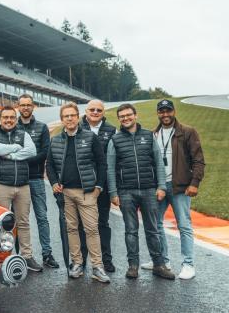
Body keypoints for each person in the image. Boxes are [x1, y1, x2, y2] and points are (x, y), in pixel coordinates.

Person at [107, 103, 174, 280]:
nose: (126, 118)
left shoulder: (148, 136)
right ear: (119, 119)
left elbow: (158, 162)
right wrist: (113, 192)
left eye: (129, 115)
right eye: (122, 116)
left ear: (135, 115)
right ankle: (133, 266)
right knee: (131, 230)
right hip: (126, 192)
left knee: (153, 230)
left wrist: (161, 186)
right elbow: (110, 168)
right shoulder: (115, 140)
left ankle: (159, 265)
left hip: (149, 190)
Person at [46, 103, 110, 283]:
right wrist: (53, 183)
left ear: (77, 117)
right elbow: (49, 165)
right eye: (66, 116)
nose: (69, 118)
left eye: (73, 115)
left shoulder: (90, 137)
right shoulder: (56, 140)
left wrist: (98, 187)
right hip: (66, 193)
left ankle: (97, 266)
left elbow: (102, 163)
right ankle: (77, 263)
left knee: (91, 229)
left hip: (87, 192)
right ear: (62, 119)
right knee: (72, 229)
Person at [147, 99, 204, 280]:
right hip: (160, 188)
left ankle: (188, 264)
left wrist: (194, 183)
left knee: (184, 226)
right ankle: (163, 260)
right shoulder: (153, 134)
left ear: (174, 111)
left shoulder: (187, 132)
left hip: (180, 187)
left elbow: (198, 160)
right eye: (161, 111)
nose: (165, 114)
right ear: (158, 113)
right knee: (155, 225)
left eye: (168, 111)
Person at [0, 106, 42, 272]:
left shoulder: (23, 134)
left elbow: (32, 151)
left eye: (11, 117)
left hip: (23, 185)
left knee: (23, 223)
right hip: (1, 185)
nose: (8, 120)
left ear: (16, 119)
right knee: (2, 224)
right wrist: (16, 147)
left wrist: (10, 155)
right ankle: (3, 258)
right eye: (5, 117)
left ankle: (27, 256)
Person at [15, 94, 57, 269]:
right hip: (16, 180)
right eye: (22, 105)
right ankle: (19, 255)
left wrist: (21, 160)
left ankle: (47, 254)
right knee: (18, 219)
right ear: (18, 107)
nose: (25, 108)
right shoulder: (11, 125)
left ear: (33, 107)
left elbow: (45, 153)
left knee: (42, 217)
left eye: (28, 105)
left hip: (36, 178)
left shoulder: (42, 127)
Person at [80, 99, 117, 272]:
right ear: (86, 111)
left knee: (102, 222)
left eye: (99, 110)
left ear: (103, 112)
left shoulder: (111, 130)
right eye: (92, 109)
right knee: (82, 224)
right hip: (81, 184)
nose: (95, 112)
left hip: (103, 184)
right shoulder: (77, 127)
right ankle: (82, 260)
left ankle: (106, 259)